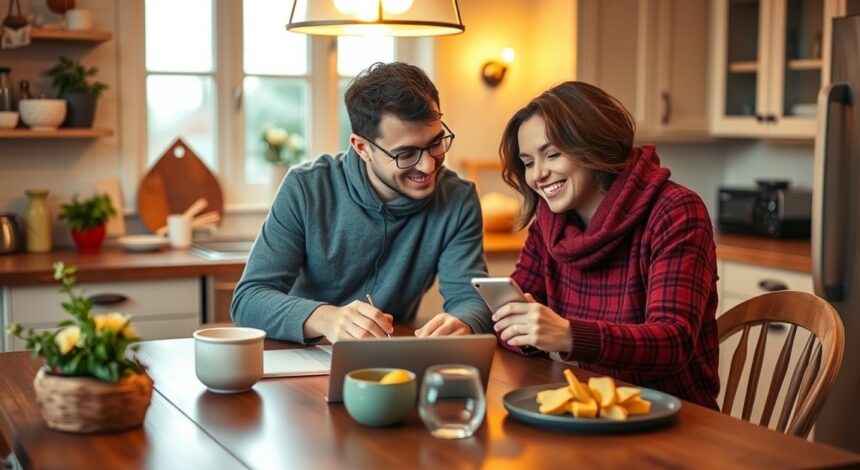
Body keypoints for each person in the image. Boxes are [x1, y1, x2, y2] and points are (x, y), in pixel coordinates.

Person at [492, 81, 720, 408]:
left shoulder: (676, 211)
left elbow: (673, 341)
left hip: (673, 416)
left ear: (594, 145)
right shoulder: (548, 223)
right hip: (587, 407)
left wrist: (568, 335)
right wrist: (524, 332)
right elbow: (513, 314)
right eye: (528, 163)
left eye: (552, 154)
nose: (538, 175)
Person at [232, 62, 492, 344]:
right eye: (405, 154)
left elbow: (470, 298)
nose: (428, 166)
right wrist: (325, 317)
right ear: (362, 147)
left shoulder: (458, 198)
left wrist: (464, 321)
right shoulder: (306, 188)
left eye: (436, 143)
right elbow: (248, 299)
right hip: (303, 360)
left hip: (390, 360)